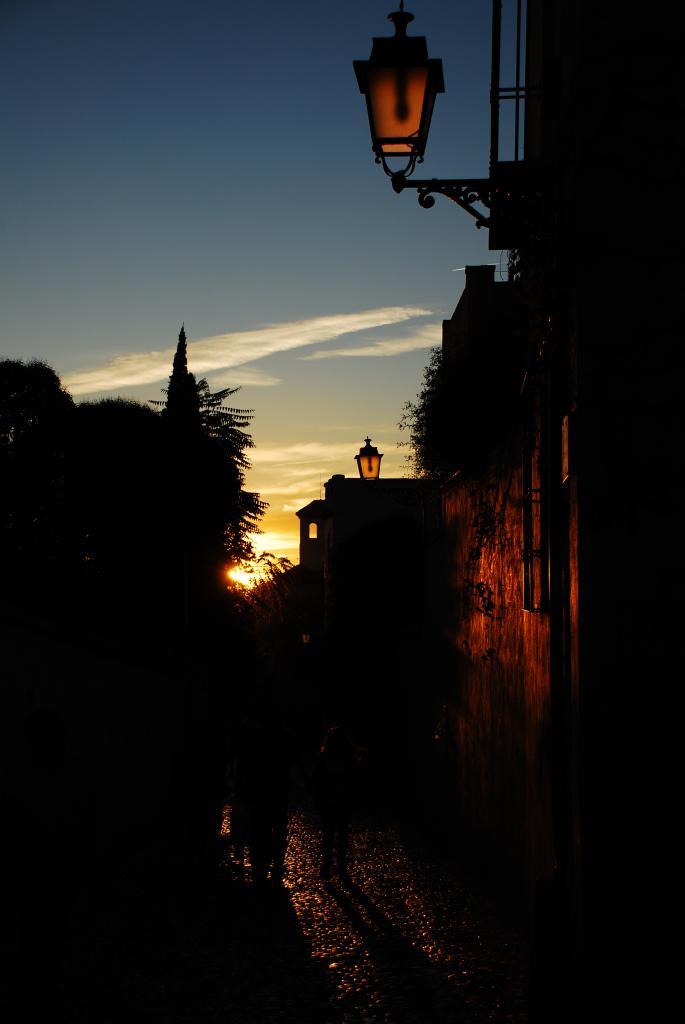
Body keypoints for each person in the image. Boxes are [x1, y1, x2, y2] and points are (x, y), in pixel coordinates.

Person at [312, 726, 360, 881]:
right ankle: (341, 866)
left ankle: (327, 865)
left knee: (328, 835)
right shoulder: (349, 758)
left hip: (328, 802)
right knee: (342, 835)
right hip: (344, 802)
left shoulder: (324, 757)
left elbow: (317, 779)